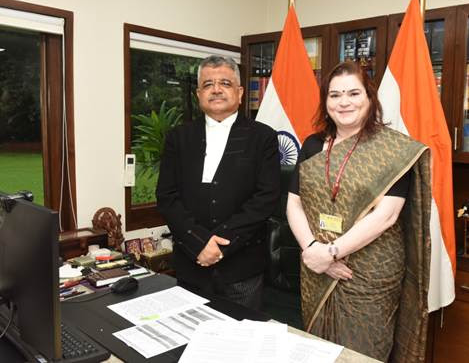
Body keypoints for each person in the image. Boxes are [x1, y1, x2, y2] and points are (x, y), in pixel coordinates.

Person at [286, 61, 431, 362]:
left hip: (368, 274)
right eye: (335, 95)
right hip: (315, 266)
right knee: (316, 349)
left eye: (353, 93)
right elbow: (294, 202)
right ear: (325, 102)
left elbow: (387, 215)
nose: (344, 102)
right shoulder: (312, 145)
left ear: (369, 98)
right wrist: (314, 251)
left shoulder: (391, 150)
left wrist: (332, 252)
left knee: (363, 352)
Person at [156, 55, 280, 310]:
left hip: (242, 268)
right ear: (198, 94)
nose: (216, 89)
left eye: (225, 82)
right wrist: (199, 243)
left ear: (240, 92)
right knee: (187, 339)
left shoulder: (263, 137)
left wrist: (221, 245)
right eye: (208, 84)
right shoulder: (178, 138)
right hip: (191, 262)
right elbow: (167, 197)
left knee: (241, 341)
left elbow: (265, 198)